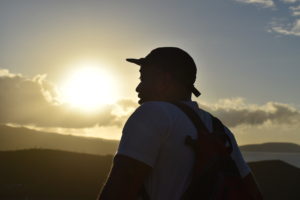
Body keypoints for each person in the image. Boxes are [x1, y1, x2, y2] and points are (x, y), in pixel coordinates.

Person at [98, 47, 262, 200]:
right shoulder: (220, 130)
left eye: (143, 78)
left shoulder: (152, 113)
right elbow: (252, 193)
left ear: (164, 82)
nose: (138, 88)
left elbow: (121, 188)